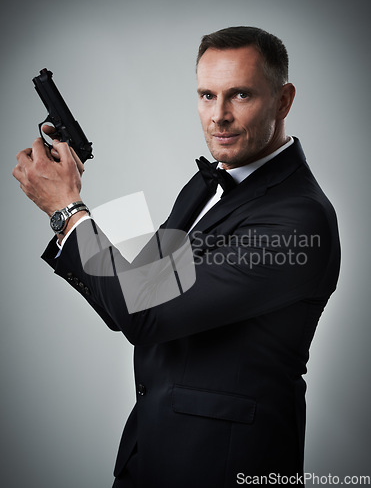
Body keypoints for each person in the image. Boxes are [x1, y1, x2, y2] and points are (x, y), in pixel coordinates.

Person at [13, 26, 340, 487]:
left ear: (284, 101)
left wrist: (67, 210)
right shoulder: (207, 184)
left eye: (240, 95)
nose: (218, 116)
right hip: (150, 455)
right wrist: (74, 201)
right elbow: (129, 297)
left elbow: (140, 312)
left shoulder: (298, 220)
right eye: (207, 95)